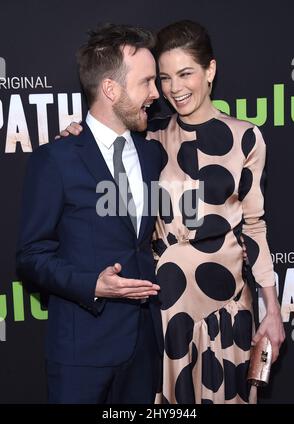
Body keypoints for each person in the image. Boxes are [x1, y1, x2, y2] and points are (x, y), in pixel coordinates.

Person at [60, 20, 285, 404]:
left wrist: (273, 309)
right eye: (164, 78)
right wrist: (77, 136)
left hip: (227, 307)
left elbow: (254, 226)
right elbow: (103, 141)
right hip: (166, 309)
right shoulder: (148, 139)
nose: (174, 89)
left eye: (185, 74)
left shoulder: (246, 138)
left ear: (210, 70)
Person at [16, 23, 164, 404]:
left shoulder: (151, 155)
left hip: (145, 350)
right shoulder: (57, 160)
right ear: (111, 89)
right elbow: (31, 255)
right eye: (147, 82)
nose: (156, 93)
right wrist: (91, 285)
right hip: (81, 354)